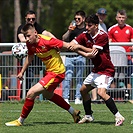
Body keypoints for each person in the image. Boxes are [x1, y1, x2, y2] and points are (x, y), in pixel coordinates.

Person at [5, 23, 81, 126]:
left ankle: (20, 121)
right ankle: (74, 112)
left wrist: (86, 52)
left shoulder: (48, 41)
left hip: (57, 72)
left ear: (35, 33)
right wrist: (22, 71)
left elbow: (67, 45)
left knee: (31, 93)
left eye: (28, 36)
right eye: (25, 36)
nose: (27, 39)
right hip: (50, 72)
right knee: (47, 95)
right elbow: (30, 57)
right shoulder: (30, 43)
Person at [68, 14, 125, 126]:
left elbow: (92, 53)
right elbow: (71, 45)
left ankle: (119, 116)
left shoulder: (102, 35)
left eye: (89, 25)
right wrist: (74, 48)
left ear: (96, 26)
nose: (87, 28)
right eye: (86, 25)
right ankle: (89, 115)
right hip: (96, 70)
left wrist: (79, 48)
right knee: (83, 90)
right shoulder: (85, 34)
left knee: (101, 93)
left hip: (106, 70)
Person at [17, 10, 55, 96]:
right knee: (28, 77)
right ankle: (25, 96)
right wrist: (29, 40)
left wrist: (56, 41)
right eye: (29, 19)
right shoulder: (22, 28)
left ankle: (43, 97)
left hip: (37, 58)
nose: (31, 21)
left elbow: (47, 33)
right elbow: (22, 38)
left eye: (33, 19)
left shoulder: (37, 27)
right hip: (26, 57)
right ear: (25, 19)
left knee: (44, 76)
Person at [62, 10, 86, 104]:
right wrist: (69, 31)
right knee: (68, 76)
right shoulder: (72, 29)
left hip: (80, 55)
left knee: (79, 77)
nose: (76, 20)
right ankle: (65, 98)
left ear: (83, 19)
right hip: (69, 55)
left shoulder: (85, 30)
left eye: (78, 19)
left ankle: (77, 98)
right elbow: (63, 38)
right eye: (75, 18)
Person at [108, 9, 133, 89]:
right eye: (119, 17)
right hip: (115, 58)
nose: (121, 19)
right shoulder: (112, 29)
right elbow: (109, 44)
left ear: (125, 18)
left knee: (127, 78)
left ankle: (129, 97)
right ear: (116, 18)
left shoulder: (130, 29)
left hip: (127, 57)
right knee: (113, 78)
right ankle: (112, 97)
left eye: (123, 17)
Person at [91, 7, 108, 101]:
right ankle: (94, 98)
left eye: (103, 15)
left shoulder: (104, 26)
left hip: (102, 55)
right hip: (95, 53)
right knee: (93, 75)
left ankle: (100, 96)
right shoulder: (94, 26)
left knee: (100, 75)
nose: (102, 16)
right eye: (100, 14)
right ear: (97, 15)